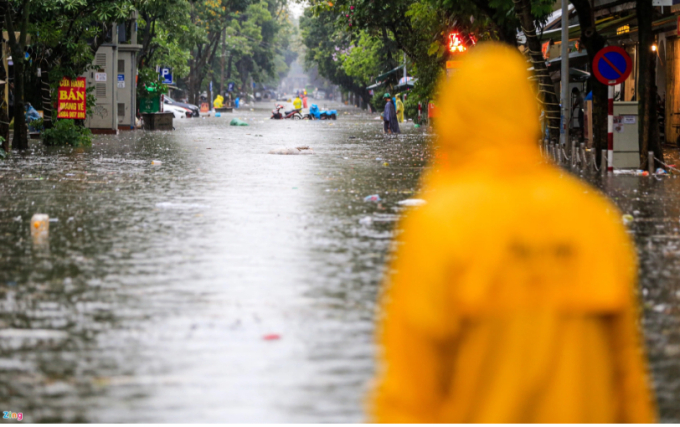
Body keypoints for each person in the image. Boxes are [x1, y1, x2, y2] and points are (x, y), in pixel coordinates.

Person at [368, 43, 656, 423]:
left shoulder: (440, 225)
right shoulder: (594, 219)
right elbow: (630, 385)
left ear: (456, 111)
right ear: (528, 107)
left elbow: (408, 394)